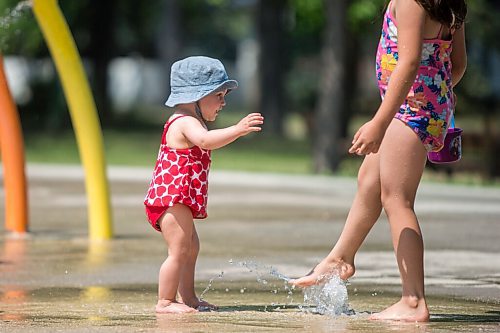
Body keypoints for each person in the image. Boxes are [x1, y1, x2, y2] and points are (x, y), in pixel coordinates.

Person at [290, 0, 467, 322]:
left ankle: (413, 301)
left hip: (408, 112)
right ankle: (339, 258)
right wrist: (435, 95)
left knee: (397, 199)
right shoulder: (445, 2)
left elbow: (409, 62)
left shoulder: (411, 2)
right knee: (369, 182)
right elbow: (457, 65)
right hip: (422, 106)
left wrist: (380, 122)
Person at [144, 56, 264, 314]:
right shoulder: (185, 121)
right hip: (171, 198)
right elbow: (206, 141)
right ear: (194, 96)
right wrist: (238, 129)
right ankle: (165, 301)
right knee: (179, 249)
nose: (223, 102)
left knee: (191, 247)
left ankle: (188, 297)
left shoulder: (191, 119)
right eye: (218, 95)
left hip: (179, 199)